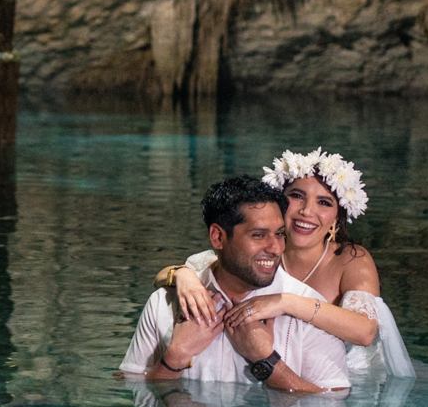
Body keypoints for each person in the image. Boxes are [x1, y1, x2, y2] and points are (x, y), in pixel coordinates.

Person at [165, 148, 415, 379]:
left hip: (348, 383)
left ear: (337, 219)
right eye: (297, 196)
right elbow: (203, 263)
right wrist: (182, 275)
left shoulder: (351, 260)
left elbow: (365, 332)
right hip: (271, 372)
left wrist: (286, 302)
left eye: (324, 202)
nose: (307, 211)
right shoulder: (258, 255)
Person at [118, 176, 351, 394]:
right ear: (218, 237)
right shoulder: (164, 303)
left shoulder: (308, 312)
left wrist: (267, 362)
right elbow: (132, 393)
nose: (276, 248)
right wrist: (175, 358)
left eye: (279, 234)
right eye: (259, 235)